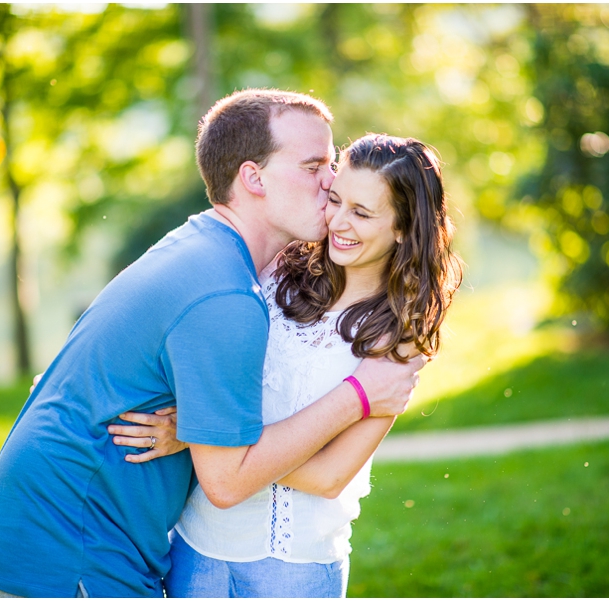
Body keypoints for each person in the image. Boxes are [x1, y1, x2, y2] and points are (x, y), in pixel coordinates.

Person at [0, 90, 427, 598]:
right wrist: (358, 396)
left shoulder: (199, 249)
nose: (330, 181)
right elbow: (226, 481)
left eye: (331, 164)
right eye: (314, 165)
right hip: (71, 551)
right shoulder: (228, 293)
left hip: (64, 540)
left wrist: (203, 433)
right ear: (253, 178)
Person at [111, 134, 462, 597]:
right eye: (335, 199)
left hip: (295, 570)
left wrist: (202, 439)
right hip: (193, 549)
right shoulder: (276, 270)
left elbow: (329, 475)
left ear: (403, 227)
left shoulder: (398, 336)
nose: (338, 221)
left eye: (361, 213)